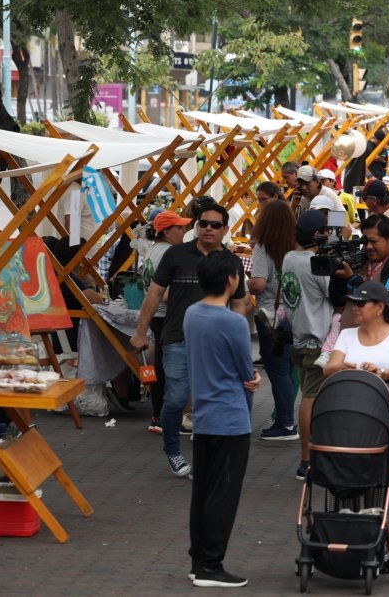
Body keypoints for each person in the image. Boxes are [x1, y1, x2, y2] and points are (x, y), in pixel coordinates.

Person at [131, 202, 248, 478]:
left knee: (209, 402)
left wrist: (238, 335)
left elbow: (240, 303)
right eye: (203, 223)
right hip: (177, 338)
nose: (208, 228)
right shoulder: (176, 255)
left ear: (225, 229)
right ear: (196, 226)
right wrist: (140, 331)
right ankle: (172, 450)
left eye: (215, 225)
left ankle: (209, 458)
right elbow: (154, 294)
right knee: (176, 398)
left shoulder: (230, 262)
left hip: (217, 344)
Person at [184, 250, 261, 588]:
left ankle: (199, 559)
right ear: (232, 279)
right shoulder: (233, 322)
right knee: (223, 494)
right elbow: (247, 371)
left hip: (203, 415)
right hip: (230, 417)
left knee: (203, 491)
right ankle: (210, 566)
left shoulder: (191, 314)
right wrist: (255, 381)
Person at [284, 210, 353, 482]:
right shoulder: (315, 263)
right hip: (317, 341)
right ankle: (307, 461)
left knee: (309, 397)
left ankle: (311, 458)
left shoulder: (290, 257)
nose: (330, 235)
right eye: (325, 231)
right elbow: (335, 296)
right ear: (317, 234)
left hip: (299, 337)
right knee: (310, 401)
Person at [324, 281, 389, 434]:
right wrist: (341, 367)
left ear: (380, 307)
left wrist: (381, 372)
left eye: (361, 303)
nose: (354, 308)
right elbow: (327, 369)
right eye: (353, 303)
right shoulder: (347, 334)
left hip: (387, 416)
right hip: (349, 414)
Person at [247, 201, 299, 441]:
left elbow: (258, 283)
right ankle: (286, 420)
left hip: (270, 315)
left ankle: (286, 423)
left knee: (277, 371)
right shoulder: (296, 246)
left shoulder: (263, 246)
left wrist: (242, 282)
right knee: (286, 369)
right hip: (294, 315)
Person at [141, 210, 192, 434]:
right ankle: (164, 415)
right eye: (179, 227)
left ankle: (158, 414)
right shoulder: (169, 253)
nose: (184, 231)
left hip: (158, 316)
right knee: (169, 366)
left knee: (160, 363)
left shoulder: (153, 250)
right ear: (167, 232)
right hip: (167, 314)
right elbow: (164, 293)